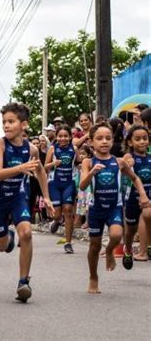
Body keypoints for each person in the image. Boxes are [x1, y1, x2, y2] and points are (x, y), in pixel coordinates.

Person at [0, 103, 54, 302]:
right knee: (1, 247)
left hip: (18, 198)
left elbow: (41, 171)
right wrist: (20, 168)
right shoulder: (0, 144)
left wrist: (47, 197)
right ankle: (7, 236)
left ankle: (23, 282)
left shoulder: (31, 149)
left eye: (11, 122)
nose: (6, 126)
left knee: (26, 233)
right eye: (4, 122)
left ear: (23, 125)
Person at [79, 122, 146, 294]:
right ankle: (93, 277)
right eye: (99, 138)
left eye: (108, 138)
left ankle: (109, 251)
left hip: (114, 207)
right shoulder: (88, 161)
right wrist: (92, 172)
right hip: (95, 209)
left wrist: (143, 195)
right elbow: (82, 185)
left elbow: (135, 178)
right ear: (92, 142)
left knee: (116, 235)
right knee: (94, 246)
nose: (104, 142)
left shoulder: (119, 162)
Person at [44, 125, 79, 253]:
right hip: (54, 183)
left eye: (65, 136)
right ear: (57, 137)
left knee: (68, 210)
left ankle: (68, 243)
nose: (63, 138)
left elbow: (78, 161)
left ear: (70, 137)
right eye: (60, 136)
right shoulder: (53, 148)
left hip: (69, 183)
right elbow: (45, 167)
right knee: (57, 213)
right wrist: (53, 164)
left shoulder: (74, 149)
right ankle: (57, 221)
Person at [122, 124, 151, 269]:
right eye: (138, 139)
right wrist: (128, 163)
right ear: (130, 142)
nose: (142, 142)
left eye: (145, 138)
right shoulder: (129, 156)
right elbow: (123, 165)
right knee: (130, 229)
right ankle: (127, 249)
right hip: (132, 197)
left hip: (148, 196)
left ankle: (147, 249)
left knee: (147, 215)